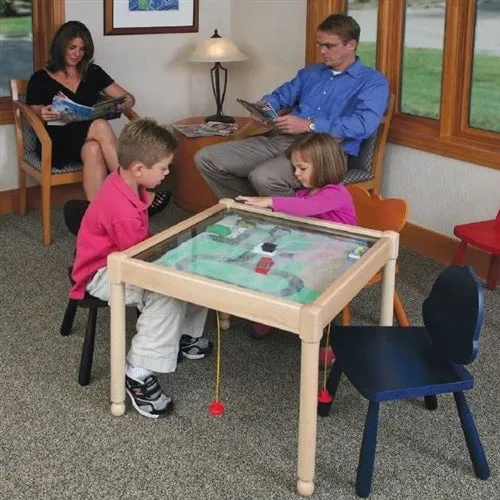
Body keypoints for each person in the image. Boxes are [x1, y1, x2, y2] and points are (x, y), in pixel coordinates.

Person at [70, 118, 212, 419]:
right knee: (168, 292)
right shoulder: (120, 209)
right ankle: (137, 371)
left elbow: (139, 248)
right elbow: (138, 259)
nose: (167, 173)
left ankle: (185, 335)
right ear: (138, 169)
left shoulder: (124, 181)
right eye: (163, 168)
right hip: (101, 273)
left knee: (192, 265)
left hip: (122, 256)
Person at [195, 13, 389, 200]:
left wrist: (309, 125)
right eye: (320, 44)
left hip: (326, 152)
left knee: (265, 177)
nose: (322, 51)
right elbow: (280, 96)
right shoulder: (310, 73)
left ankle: (289, 225)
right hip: (283, 140)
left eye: (329, 46)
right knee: (206, 158)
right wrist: (264, 107)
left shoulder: (373, 82)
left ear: (351, 45)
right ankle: (252, 212)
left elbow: (363, 125)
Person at [26, 21, 170, 215]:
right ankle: (138, 194)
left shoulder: (92, 73)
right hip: (56, 142)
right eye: (72, 47)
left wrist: (127, 102)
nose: (77, 53)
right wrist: (42, 113)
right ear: (60, 46)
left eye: (82, 49)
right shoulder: (41, 78)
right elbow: (32, 115)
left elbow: (127, 97)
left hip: (88, 140)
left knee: (93, 148)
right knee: (100, 125)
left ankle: (100, 215)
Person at [237, 132, 356, 365]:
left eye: (302, 168)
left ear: (323, 165)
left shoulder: (335, 192)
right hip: (313, 245)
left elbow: (308, 208)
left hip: (338, 252)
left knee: (319, 288)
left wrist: (270, 201)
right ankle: (271, 312)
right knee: (269, 263)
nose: (296, 174)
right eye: (294, 168)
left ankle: (328, 341)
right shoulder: (305, 191)